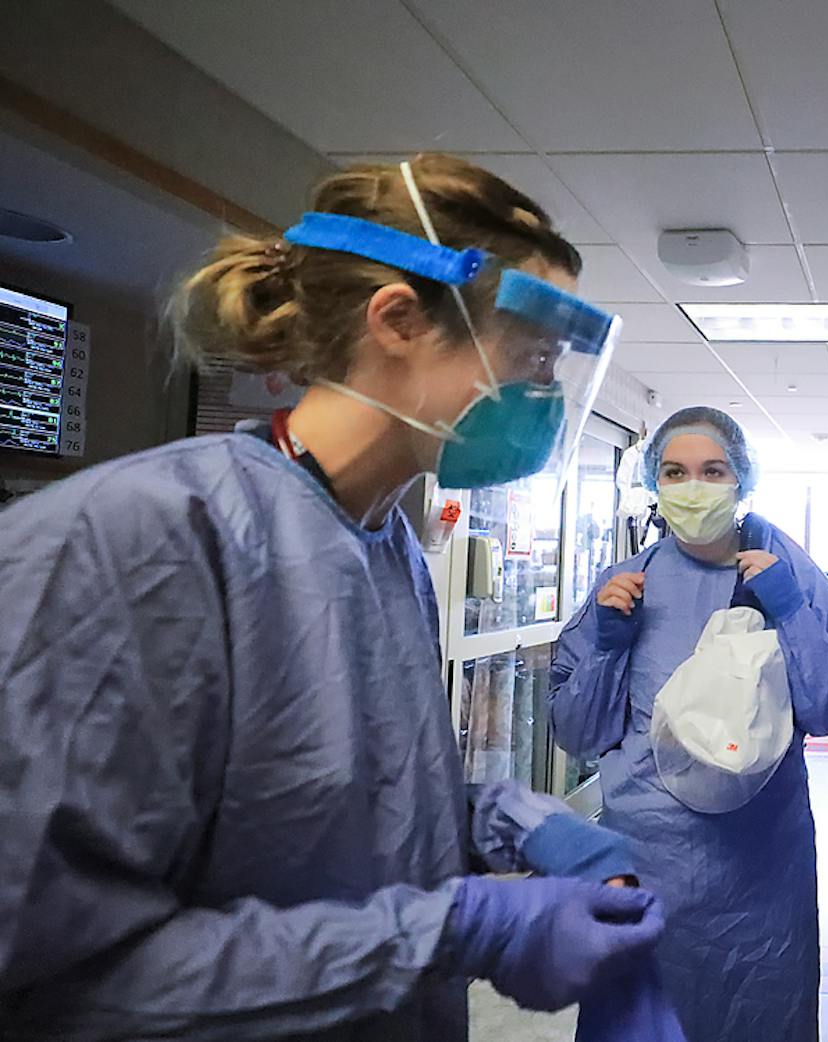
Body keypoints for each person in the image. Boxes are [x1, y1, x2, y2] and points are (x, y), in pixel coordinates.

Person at [0, 155, 665, 1040]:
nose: (544, 391)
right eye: (531, 353)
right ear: (397, 320)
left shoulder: (385, 545)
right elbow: (53, 975)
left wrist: (506, 822)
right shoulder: (135, 542)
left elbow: (339, 811)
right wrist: (452, 928)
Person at [549, 406, 828, 1042]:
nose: (694, 487)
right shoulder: (624, 586)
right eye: (675, 471)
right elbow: (577, 734)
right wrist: (608, 645)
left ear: (742, 480)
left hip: (759, 865)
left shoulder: (788, 576)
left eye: (712, 470)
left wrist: (791, 613)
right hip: (648, 856)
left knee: (758, 1009)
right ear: (654, 486)